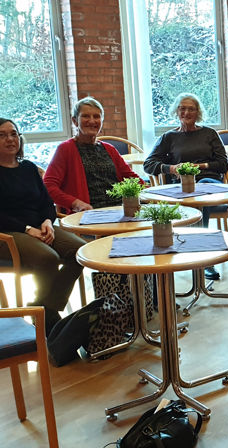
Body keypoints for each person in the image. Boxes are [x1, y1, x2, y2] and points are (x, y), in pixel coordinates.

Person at [0, 118, 86, 334]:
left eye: (13, 133)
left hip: (40, 225)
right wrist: (28, 229)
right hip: (8, 233)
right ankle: (48, 315)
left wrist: (48, 221)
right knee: (48, 258)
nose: (10, 139)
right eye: (2, 135)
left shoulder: (28, 168)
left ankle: (43, 307)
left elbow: (46, 202)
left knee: (81, 252)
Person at [143, 93, 228, 280]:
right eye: (182, 108)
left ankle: (203, 258)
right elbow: (149, 164)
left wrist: (201, 166)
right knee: (191, 196)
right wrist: (172, 168)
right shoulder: (169, 137)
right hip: (181, 187)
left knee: (201, 192)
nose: (186, 112)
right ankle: (199, 255)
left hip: (209, 182)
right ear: (176, 111)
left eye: (191, 108)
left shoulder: (209, 134)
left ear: (198, 112)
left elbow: (223, 164)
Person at [44, 97, 142, 213]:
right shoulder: (65, 149)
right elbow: (48, 186)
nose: (92, 121)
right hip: (87, 214)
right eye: (85, 116)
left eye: (96, 116)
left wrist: (150, 192)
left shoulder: (109, 149)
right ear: (75, 121)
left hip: (119, 210)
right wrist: (75, 203)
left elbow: (132, 179)